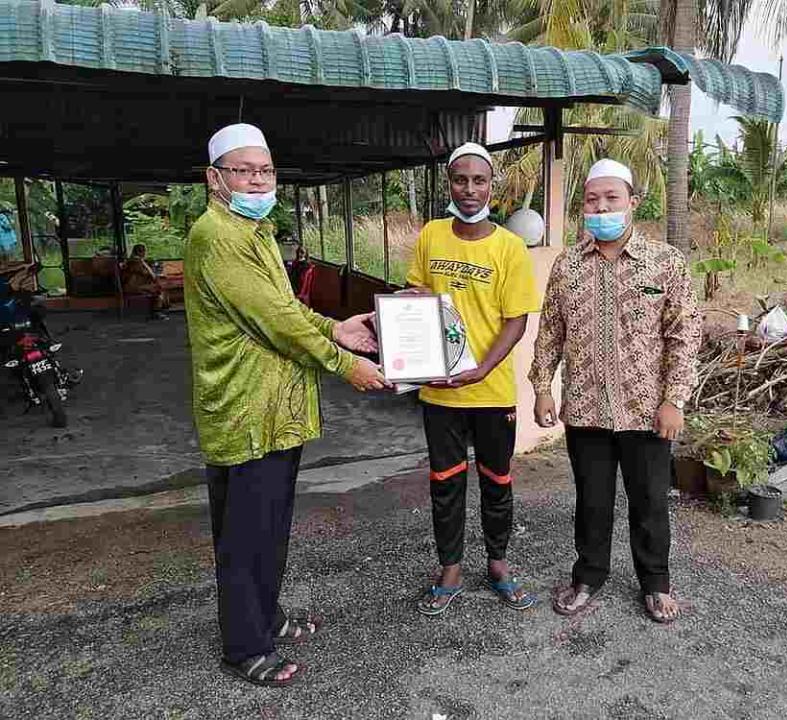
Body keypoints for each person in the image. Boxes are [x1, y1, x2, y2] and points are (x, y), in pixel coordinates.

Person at [184, 123, 390, 687]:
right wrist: (347, 363)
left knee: (269, 526)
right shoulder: (218, 237)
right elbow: (276, 324)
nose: (257, 179)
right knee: (247, 533)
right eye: (244, 170)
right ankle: (244, 646)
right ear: (214, 179)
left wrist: (336, 327)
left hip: (278, 413)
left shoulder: (255, 233)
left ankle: (266, 618)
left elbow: (286, 309)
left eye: (266, 170)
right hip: (247, 413)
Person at [529, 159, 701, 624]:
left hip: (647, 412)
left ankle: (655, 584)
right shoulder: (567, 266)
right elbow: (550, 333)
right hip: (585, 409)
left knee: (649, 501)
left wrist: (675, 399)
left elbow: (684, 334)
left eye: (611, 198)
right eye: (591, 199)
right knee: (591, 501)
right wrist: (543, 388)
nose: (600, 206)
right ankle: (588, 575)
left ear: (632, 203)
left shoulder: (666, 263)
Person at [405, 142, 540, 616]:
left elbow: (516, 320)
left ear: (491, 185)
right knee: (444, 482)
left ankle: (499, 565)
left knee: (496, 480)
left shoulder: (509, 248)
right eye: (460, 180)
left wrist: (482, 369)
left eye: (478, 180)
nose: (468, 189)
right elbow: (419, 298)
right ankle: (450, 570)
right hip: (439, 391)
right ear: (449, 184)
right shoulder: (431, 236)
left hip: (490, 390)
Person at [121, 243, 171, 319]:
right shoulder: (136, 262)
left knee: (158, 287)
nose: (145, 253)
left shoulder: (133, 261)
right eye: (144, 251)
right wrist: (147, 266)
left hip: (133, 285)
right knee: (157, 289)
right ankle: (157, 312)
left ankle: (160, 309)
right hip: (133, 287)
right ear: (140, 252)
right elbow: (149, 274)